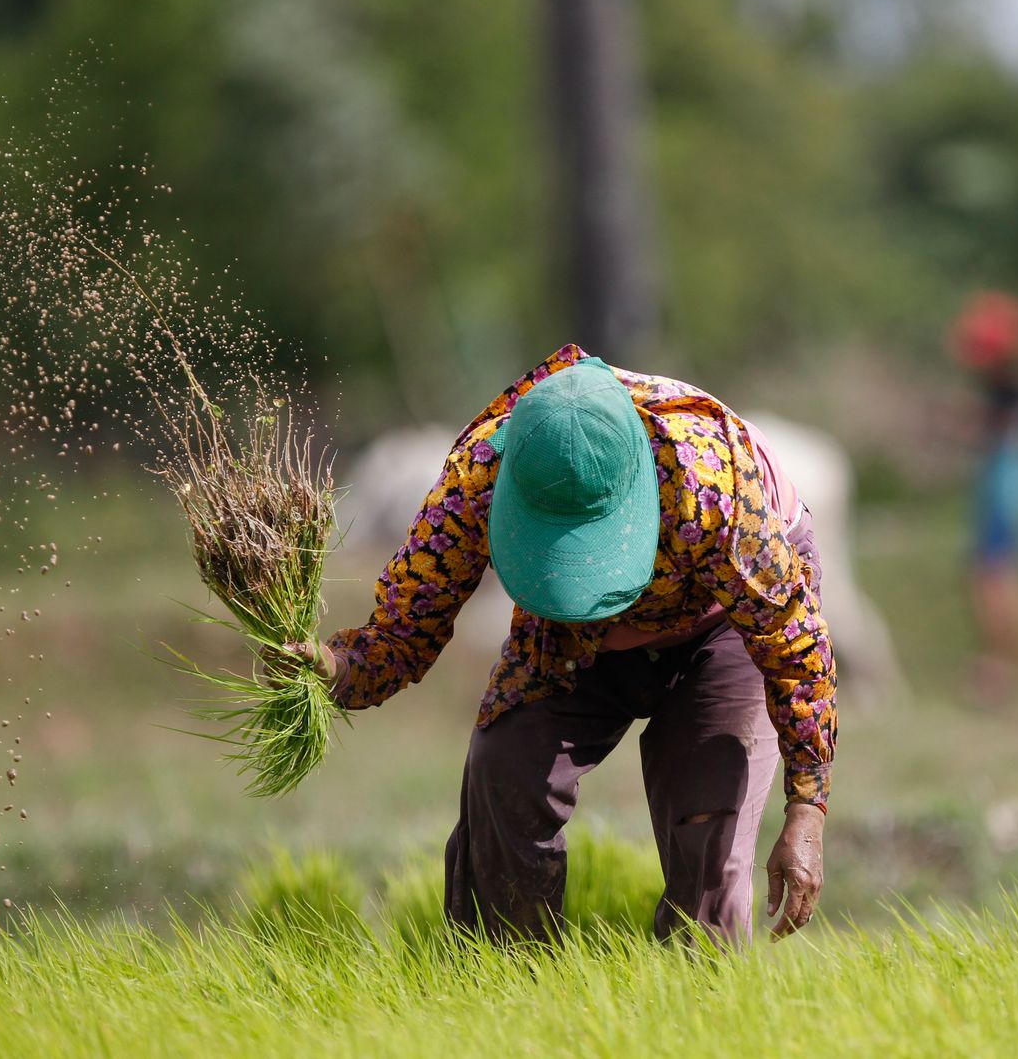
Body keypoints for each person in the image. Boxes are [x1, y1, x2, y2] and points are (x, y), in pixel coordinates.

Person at [280, 345, 836, 945]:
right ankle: (507, 987)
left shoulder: (711, 485)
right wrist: (335, 666)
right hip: (569, 632)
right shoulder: (480, 476)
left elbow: (793, 648)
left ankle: (699, 1008)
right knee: (505, 769)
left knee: (710, 822)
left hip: (720, 621)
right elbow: (406, 625)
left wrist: (807, 805)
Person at [953, 292, 1018, 707]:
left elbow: (998, 435)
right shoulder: (1017, 387)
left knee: (994, 580)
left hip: (1004, 498)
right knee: (1001, 578)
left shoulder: (1011, 392)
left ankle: (1000, 670)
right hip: (1013, 497)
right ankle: (1003, 669)